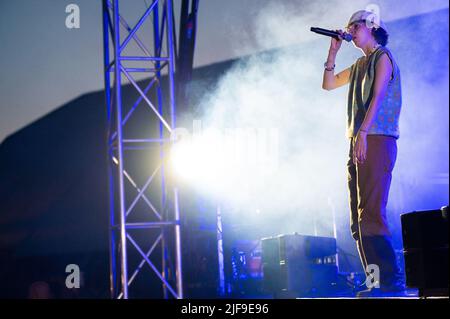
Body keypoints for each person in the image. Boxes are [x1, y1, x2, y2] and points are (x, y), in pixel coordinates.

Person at [322, 10, 405, 296]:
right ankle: (374, 281)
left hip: (376, 138)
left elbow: (379, 95)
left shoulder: (383, 57)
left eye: (354, 26)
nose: (349, 31)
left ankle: (390, 280)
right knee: (358, 218)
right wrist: (333, 52)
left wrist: (364, 133)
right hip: (360, 138)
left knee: (370, 213)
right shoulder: (359, 64)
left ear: (371, 27)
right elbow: (329, 84)